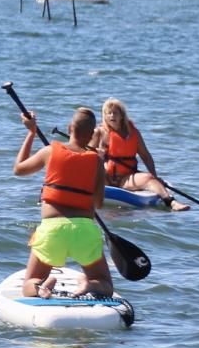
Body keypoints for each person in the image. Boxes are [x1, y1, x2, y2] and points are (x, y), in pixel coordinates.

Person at [12, 107, 113, 299]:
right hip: (84, 230)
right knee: (106, 284)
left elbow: (18, 169)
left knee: (29, 283)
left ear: (70, 127)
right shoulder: (97, 162)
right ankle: (90, 283)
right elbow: (98, 204)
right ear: (92, 134)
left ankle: (41, 287)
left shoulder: (50, 151)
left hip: (52, 229)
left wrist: (31, 132)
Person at [90, 98, 188, 211]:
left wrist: (154, 175)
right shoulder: (99, 132)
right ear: (105, 116)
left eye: (115, 113)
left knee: (148, 178)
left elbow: (146, 156)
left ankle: (171, 202)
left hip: (126, 178)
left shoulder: (134, 133)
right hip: (104, 177)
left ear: (121, 115)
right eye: (108, 113)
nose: (112, 116)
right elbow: (86, 155)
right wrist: (98, 156)